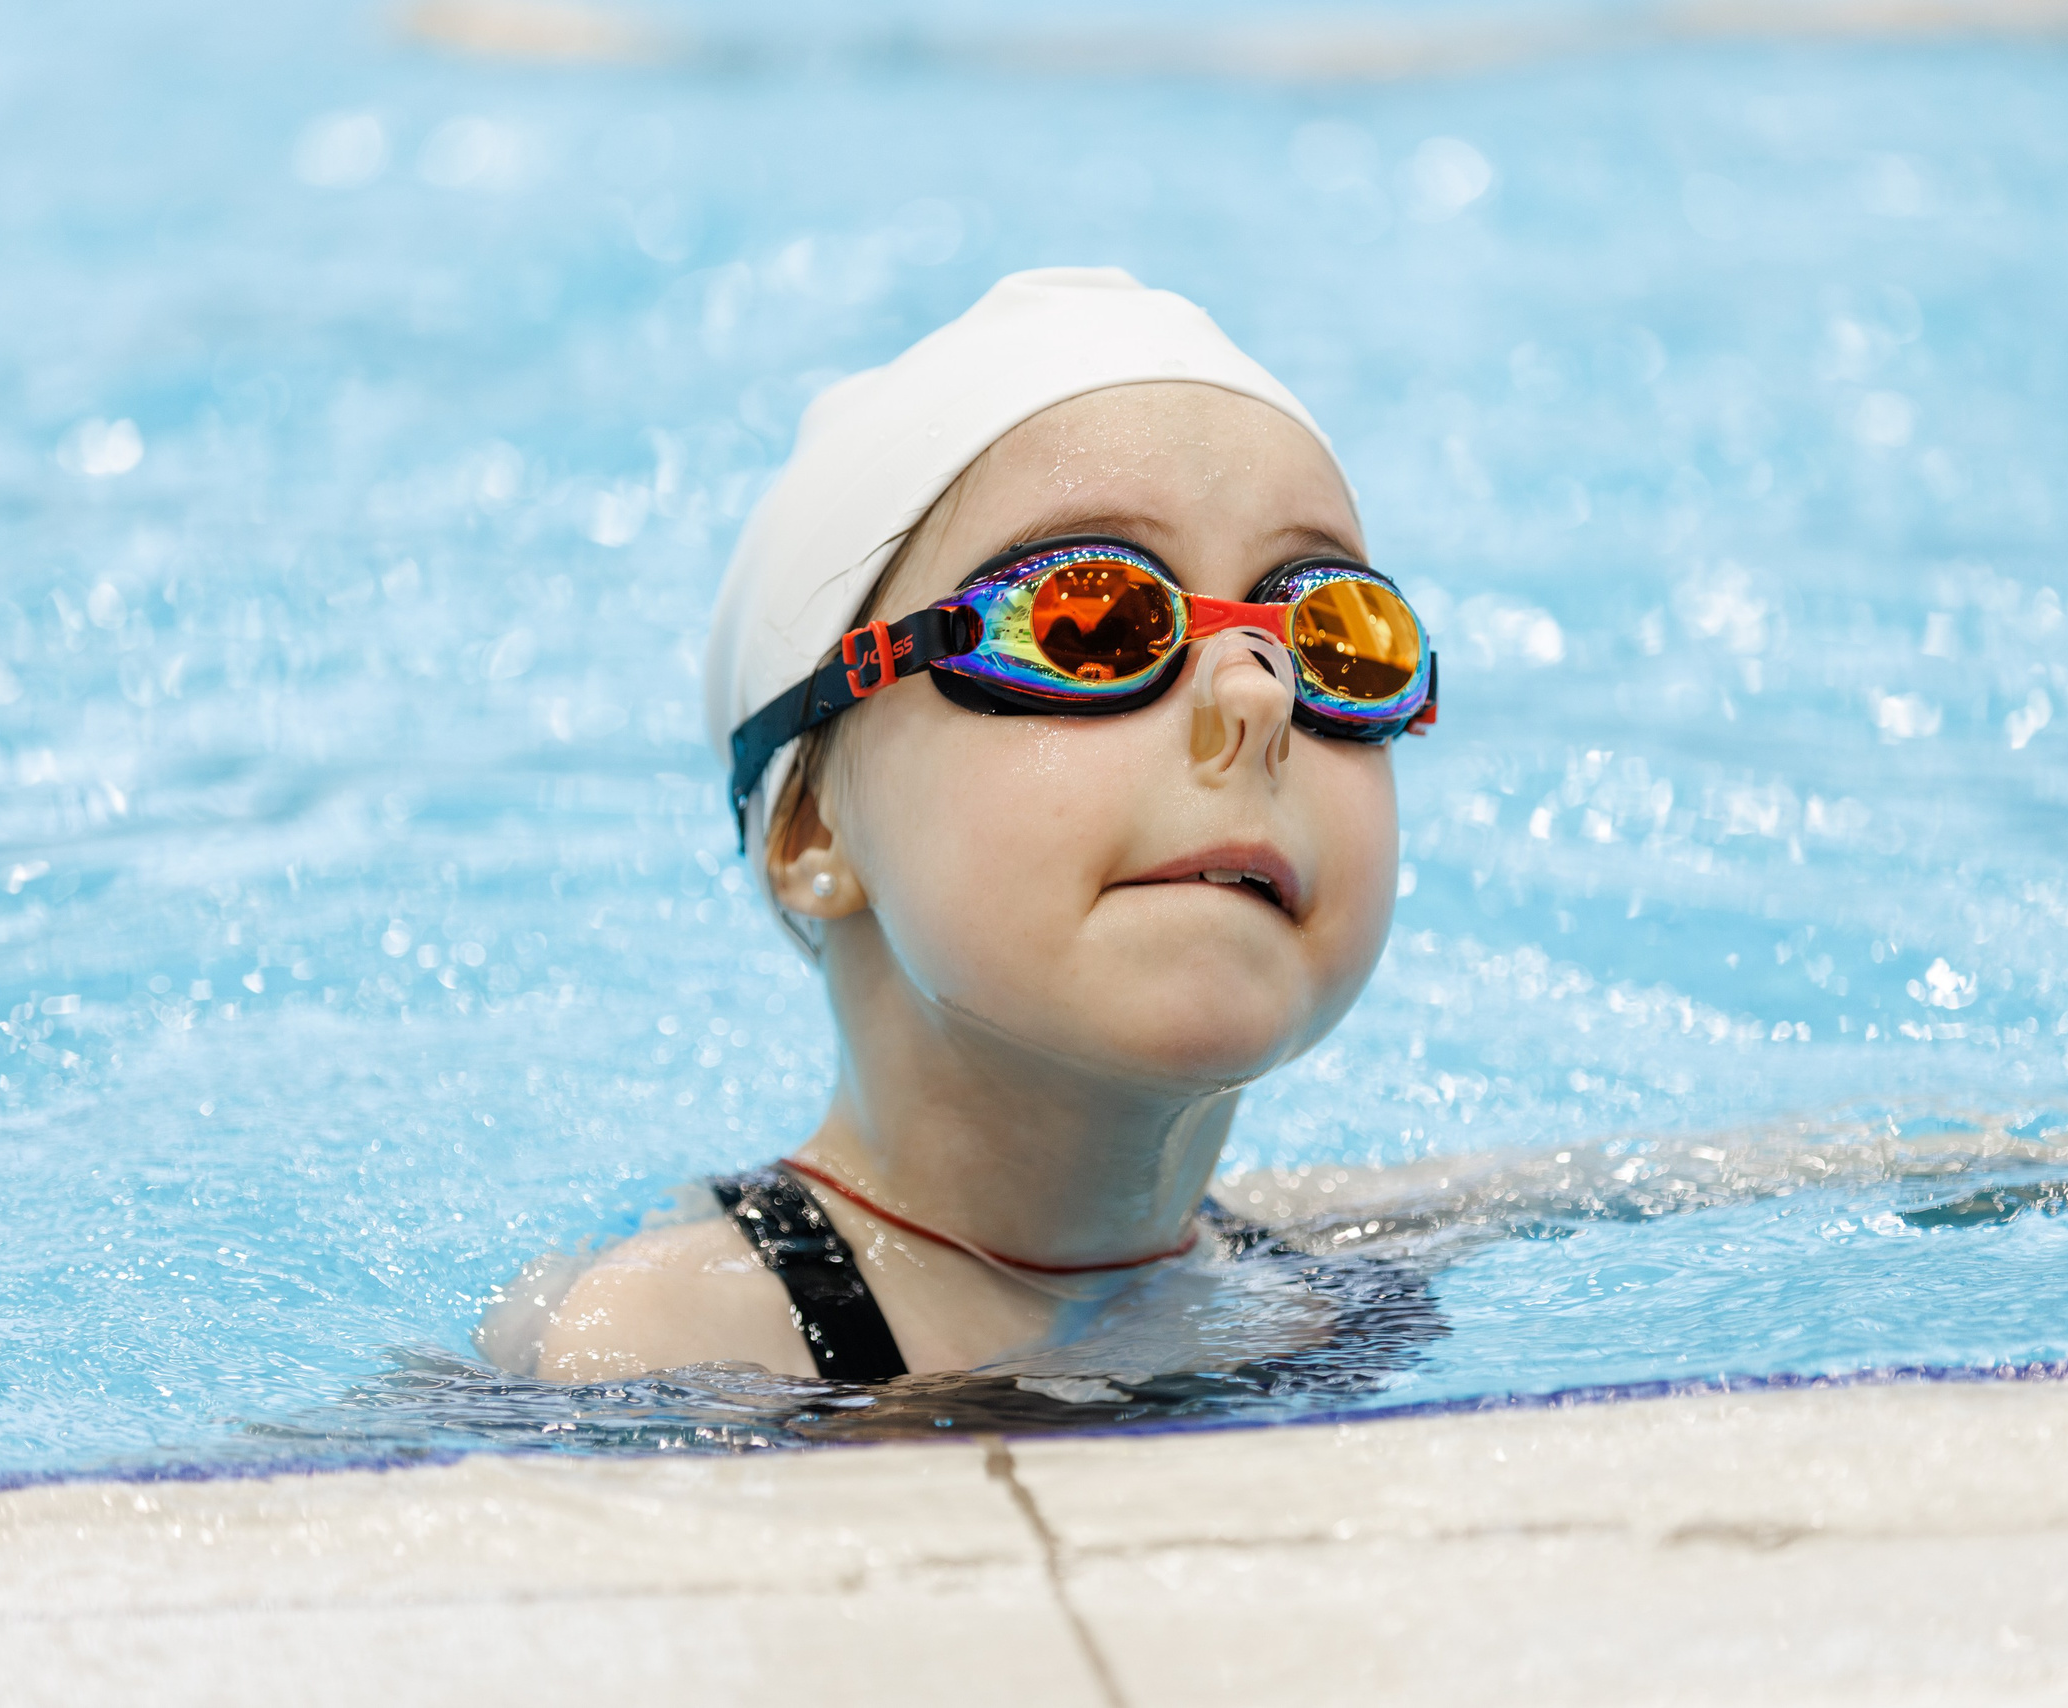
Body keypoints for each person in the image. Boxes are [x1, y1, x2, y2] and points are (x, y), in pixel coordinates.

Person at [476, 268, 1453, 1398]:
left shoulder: (1334, 1254)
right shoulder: (667, 1337)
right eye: (1089, 620)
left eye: (1339, 638)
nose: (1258, 695)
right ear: (811, 826)